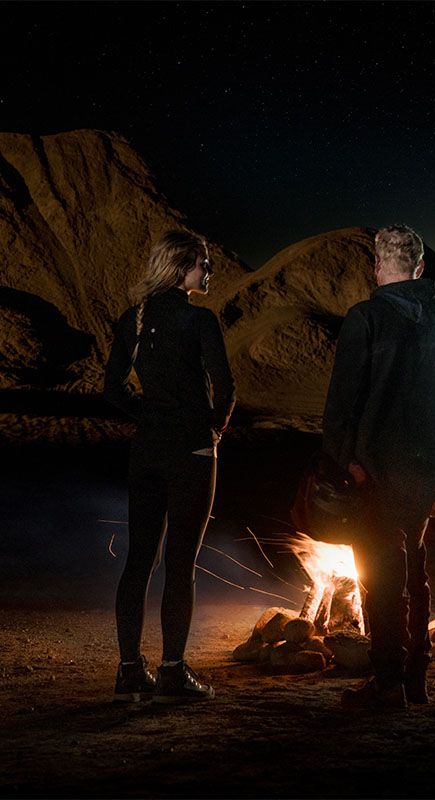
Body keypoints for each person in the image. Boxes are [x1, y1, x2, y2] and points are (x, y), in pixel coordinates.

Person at [321, 224, 435, 712]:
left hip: (375, 472)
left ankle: (387, 683)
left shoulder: (365, 318)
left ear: (378, 265)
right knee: (415, 572)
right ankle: (415, 679)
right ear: (420, 268)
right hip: (424, 473)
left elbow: (341, 401)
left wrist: (345, 462)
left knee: (382, 577)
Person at [103, 230, 235, 704]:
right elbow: (226, 387)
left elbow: (112, 389)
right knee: (181, 564)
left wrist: (149, 416)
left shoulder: (133, 320)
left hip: (147, 451)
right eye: (203, 263)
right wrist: (214, 429)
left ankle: (129, 671)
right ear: (181, 268)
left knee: (139, 560)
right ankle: (173, 673)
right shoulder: (200, 320)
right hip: (191, 453)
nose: (209, 270)